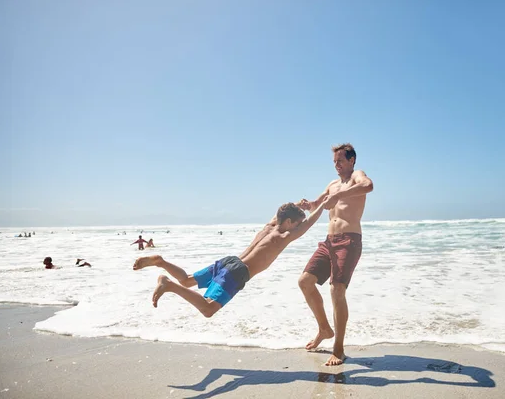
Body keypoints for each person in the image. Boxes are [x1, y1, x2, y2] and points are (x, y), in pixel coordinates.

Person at [132, 200, 328, 317]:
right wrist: (322, 205)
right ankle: (168, 284)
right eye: (296, 223)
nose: (297, 227)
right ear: (288, 222)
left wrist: (297, 205)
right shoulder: (283, 237)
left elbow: (283, 212)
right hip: (238, 272)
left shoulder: (269, 227)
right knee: (208, 309)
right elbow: (308, 224)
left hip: (230, 261)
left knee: (187, 280)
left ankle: (161, 262)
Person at [297, 143, 374, 366]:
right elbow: (316, 206)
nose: (337, 165)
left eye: (340, 161)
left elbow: (368, 186)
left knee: (337, 290)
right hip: (329, 242)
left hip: (349, 240)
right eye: (334, 162)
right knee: (305, 281)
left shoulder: (358, 176)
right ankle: (324, 328)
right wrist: (308, 204)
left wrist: (339, 195)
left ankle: (338, 349)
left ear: (352, 160)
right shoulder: (332, 184)